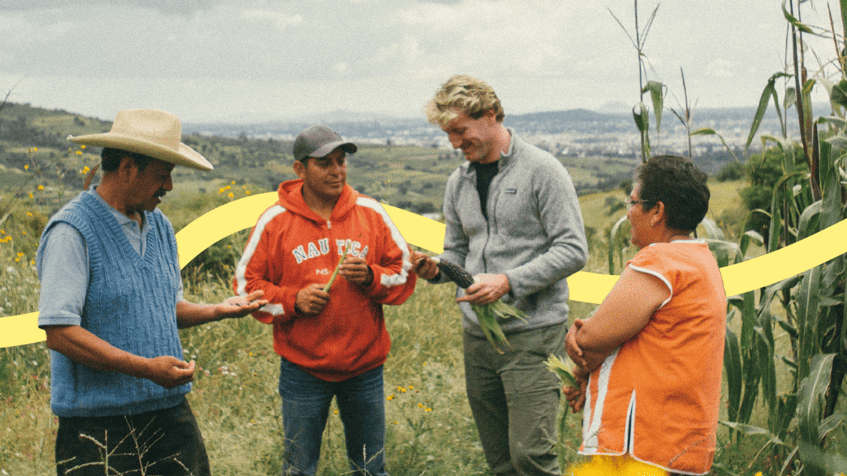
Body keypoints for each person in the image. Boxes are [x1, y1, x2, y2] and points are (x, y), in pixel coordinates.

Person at [36, 108, 268, 476]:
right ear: (128, 168)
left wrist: (218, 310)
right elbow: (59, 332)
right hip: (99, 430)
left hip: (168, 417)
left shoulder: (159, 227)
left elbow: (165, 307)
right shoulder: (72, 232)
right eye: (163, 175)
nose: (170, 186)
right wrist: (145, 369)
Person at [410, 75, 587, 476]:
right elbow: (458, 249)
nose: (455, 143)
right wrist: (436, 268)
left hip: (533, 337)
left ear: (490, 115)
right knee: (501, 462)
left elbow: (574, 249)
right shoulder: (459, 182)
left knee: (531, 457)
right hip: (479, 340)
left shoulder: (544, 171)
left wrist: (507, 282)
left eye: (460, 131)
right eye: (448, 134)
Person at [234, 124, 417, 476]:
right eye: (325, 163)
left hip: (364, 368)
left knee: (370, 468)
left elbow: (405, 269)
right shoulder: (275, 221)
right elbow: (246, 286)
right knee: (300, 469)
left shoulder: (371, 213)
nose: (337, 171)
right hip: (303, 369)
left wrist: (371, 277)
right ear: (300, 170)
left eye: (341, 161)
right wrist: (293, 301)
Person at [564, 155, 726, 475]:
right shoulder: (701, 261)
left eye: (633, 202)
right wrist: (588, 372)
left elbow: (593, 338)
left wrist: (576, 338)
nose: (628, 213)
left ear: (657, 212)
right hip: (681, 441)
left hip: (646, 446)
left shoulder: (660, 262)